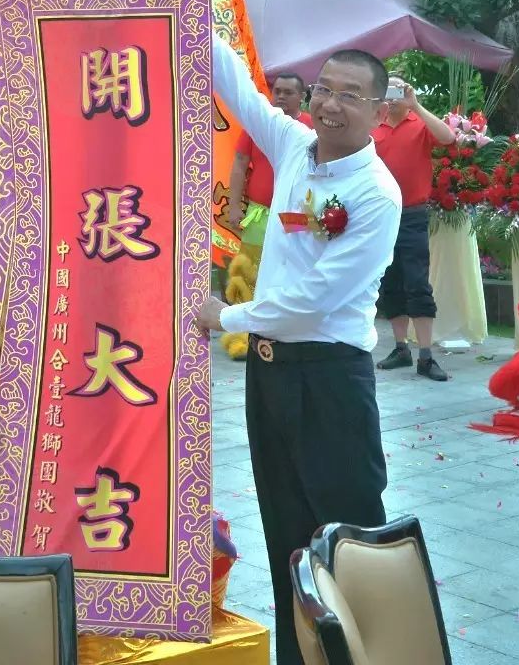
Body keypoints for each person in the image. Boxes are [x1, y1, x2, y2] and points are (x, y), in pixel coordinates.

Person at [200, 37, 401, 665]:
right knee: (285, 527)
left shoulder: (375, 194)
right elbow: (237, 88)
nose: (331, 104)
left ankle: (368, 654)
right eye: (324, 90)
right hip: (271, 376)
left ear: (379, 111)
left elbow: (314, 299)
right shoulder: (292, 145)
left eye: (350, 95)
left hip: (329, 380)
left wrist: (224, 315)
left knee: (345, 532)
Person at [373, 78, 458, 381]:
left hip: (412, 214)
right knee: (390, 281)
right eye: (389, 91)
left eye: (399, 90)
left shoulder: (419, 123)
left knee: (417, 281)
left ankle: (425, 355)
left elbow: (448, 138)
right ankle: (400, 348)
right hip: (381, 215)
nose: (394, 98)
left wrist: (416, 105)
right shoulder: (374, 127)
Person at [222, 75, 313, 359]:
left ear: (302, 97)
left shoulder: (312, 127)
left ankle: (286, 332)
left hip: (297, 215)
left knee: (292, 269)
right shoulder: (259, 125)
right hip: (260, 212)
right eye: (277, 91)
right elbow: (239, 164)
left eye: (288, 92)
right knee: (247, 271)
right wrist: (235, 205)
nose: (281, 97)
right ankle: (239, 336)